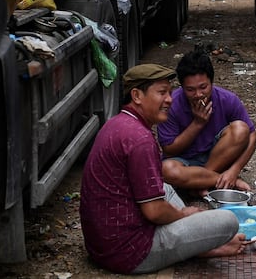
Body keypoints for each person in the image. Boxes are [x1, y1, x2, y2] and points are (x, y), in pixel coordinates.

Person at [79, 64, 246, 274]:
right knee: (227, 221)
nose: (169, 99)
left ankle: (198, 244)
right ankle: (201, 246)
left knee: (164, 187)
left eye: (169, 92)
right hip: (131, 253)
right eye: (161, 93)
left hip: (102, 246)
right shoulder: (140, 139)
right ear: (137, 95)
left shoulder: (117, 123)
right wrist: (183, 215)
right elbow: (154, 211)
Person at [158, 50, 256, 193]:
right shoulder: (171, 104)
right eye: (190, 89)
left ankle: (200, 184)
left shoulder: (227, 99)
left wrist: (234, 170)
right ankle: (219, 181)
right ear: (182, 86)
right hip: (185, 163)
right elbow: (169, 149)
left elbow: (252, 137)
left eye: (203, 87)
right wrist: (198, 123)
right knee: (166, 170)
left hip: (218, 158)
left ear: (211, 82)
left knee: (241, 129)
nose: (198, 95)